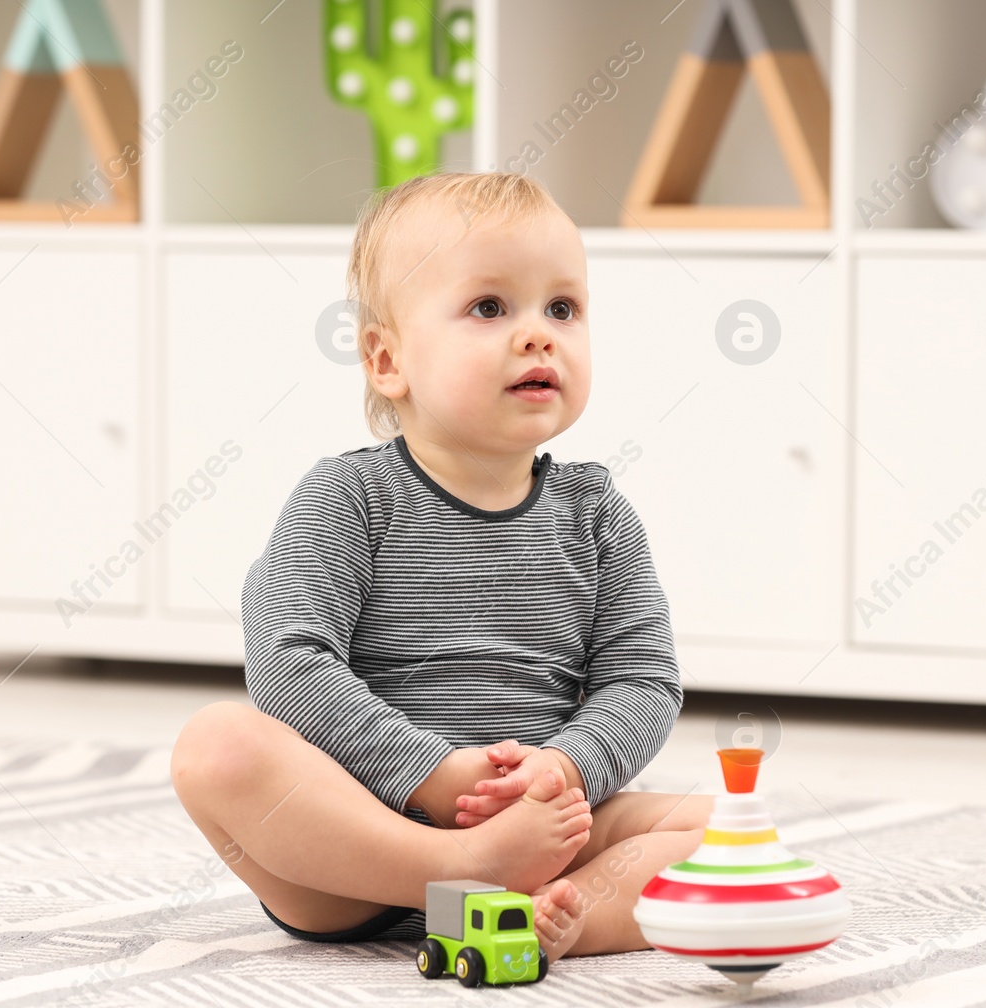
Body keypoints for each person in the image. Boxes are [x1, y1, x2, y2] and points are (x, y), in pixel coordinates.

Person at [170, 171, 711, 961]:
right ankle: (456, 872)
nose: (538, 334)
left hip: (545, 829)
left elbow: (644, 682)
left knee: (726, 825)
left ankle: (568, 918)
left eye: (562, 307)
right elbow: (288, 665)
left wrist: (564, 768)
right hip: (361, 854)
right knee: (215, 746)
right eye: (490, 307)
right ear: (388, 360)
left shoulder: (596, 514)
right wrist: (437, 778)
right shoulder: (347, 497)